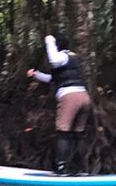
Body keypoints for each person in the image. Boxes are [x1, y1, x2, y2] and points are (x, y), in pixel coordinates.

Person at [27, 30, 91, 175]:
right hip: (84, 97)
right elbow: (53, 79)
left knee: (63, 132)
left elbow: (54, 60)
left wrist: (49, 40)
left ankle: (61, 169)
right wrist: (36, 75)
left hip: (70, 97)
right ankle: (82, 169)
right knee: (78, 133)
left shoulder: (60, 57)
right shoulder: (73, 58)